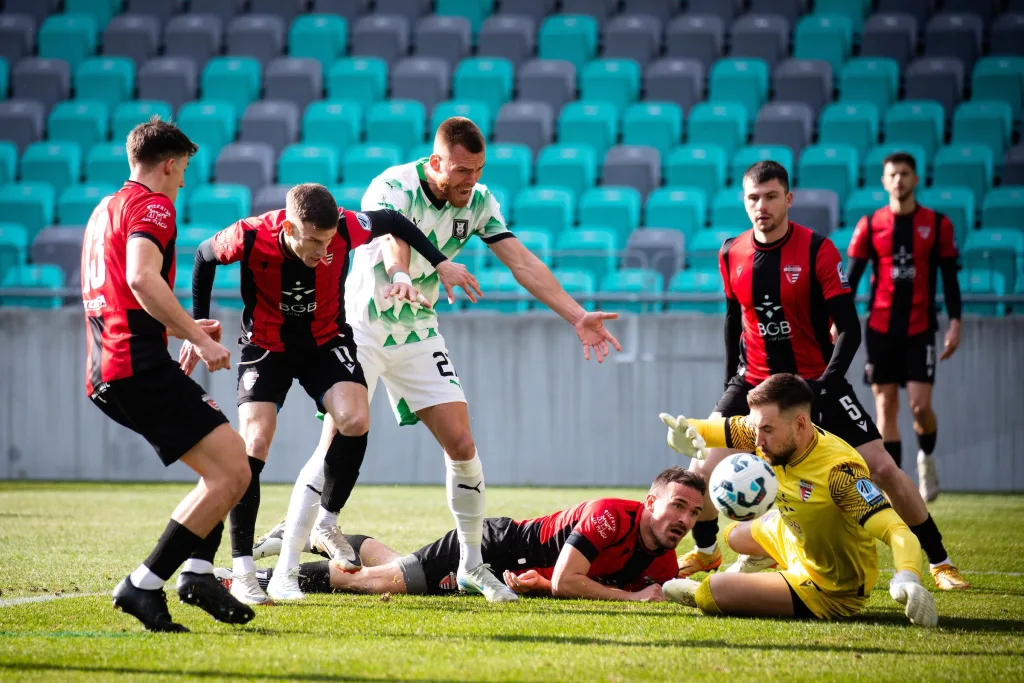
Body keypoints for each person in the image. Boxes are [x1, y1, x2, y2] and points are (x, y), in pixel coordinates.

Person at [272, 117, 622, 603]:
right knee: (339, 434)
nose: (470, 180)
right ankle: (286, 568)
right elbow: (393, 237)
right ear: (436, 161)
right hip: (362, 325)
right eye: (461, 169)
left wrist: (576, 315)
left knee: (461, 441)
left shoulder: (479, 202)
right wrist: (400, 273)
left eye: (477, 170)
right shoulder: (392, 185)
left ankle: (472, 565)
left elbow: (520, 261)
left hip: (417, 329)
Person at [671, 161, 968, 591]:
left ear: (788, 199)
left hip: (816, 380)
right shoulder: (730, 252)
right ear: (744, 201)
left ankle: (940, 561)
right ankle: (705, 550)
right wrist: (728, 385)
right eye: (753, 198)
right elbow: (733, 320)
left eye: (771, 196)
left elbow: (849, 327)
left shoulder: (817, 250)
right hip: (752, 381)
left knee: (882, 468)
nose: (762, 206)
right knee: (700, 465)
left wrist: (824, 385)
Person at [181, 183, 478, 605]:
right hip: (267, 346)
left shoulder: (346, 227)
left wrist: (438, 262)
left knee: (355, 418)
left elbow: (394, 222)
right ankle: (245, 571)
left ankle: (327, 522)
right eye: (314, 241)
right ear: (288, 227)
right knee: (254, 444)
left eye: (328, 241)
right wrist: (199, 326)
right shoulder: (249, 234)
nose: (324, 251)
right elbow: (203, 256)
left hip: (325, 342)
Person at [81, 117, 254, 632]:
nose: (183, 182)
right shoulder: (153, 204)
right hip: (135, 364)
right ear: (170, 163)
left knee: (224, 467)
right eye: (183, 172)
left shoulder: (103, 209)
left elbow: (122, 288)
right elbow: (139, 277)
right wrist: (196, 338)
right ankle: (147, 583)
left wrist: (178, 327)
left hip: (109, 364)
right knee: (233, 469)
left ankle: (196, 572)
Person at [660, 373, 939, 627]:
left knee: (712, 592)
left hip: (829, 585)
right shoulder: (765, 430)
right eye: (755, 428)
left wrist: (908, 576)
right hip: (793, 535)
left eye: (766, 430)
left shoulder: (839, 474)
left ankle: (731, 588)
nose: (756, 440)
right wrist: (685, 432)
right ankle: (767, 569)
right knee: (735, 536)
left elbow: (896, 530)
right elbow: (707, 429)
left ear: (800, 423)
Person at [242, 467, 704, 602]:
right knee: (375, 582)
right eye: (677, 505)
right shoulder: (610, 516)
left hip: (509, 569)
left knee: (395, 567)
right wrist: (634, 600)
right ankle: (255, 580)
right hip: (491, 548)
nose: (684, 519)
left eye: (694, 512)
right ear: (650, 503)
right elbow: (569, 580)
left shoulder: (663, 559)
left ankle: (318, 536)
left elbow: (569, 582)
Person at [846, 152, 962, 503]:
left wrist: (955, 323)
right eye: (892, 174)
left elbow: (949, 279)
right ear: (884, 181)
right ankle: (895, 486)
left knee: (918, 408)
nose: (898, 180)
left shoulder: (937, 224)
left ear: (916, 179)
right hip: (880, 328)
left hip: (920, 328)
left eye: (905, 173)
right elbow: (850, 281)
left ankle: (925, 458)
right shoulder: (870, 224)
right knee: (885, 407)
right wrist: (837, 320)